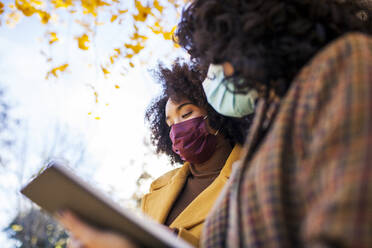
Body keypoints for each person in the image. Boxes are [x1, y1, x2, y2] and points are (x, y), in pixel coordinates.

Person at [173, 0, 372, 247]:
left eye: (216, 57)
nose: (211, 75)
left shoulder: (342, 64)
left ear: (251, 36)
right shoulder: (267, 129)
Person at [57, 61, 255, 247]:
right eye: (170, 124)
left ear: (216, 113)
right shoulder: (158, 187)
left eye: (186, 114)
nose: (177, 129)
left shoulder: (253, 171)